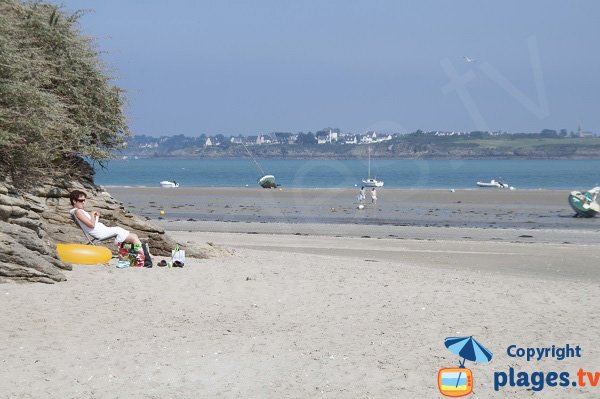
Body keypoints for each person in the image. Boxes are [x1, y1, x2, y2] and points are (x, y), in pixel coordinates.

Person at [69, 190, 141, 245]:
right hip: (101, 233)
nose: (83, 202)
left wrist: (95, 216)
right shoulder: (77, 212)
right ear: (74, 201)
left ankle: (144, 256)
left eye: (84, 200)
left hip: (102, 230)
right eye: (81, 200)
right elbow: (91, 225)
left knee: (134, 236)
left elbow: (91, 224)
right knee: (131, 236)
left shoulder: (78, 211)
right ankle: (143, 257)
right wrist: (92, 214)